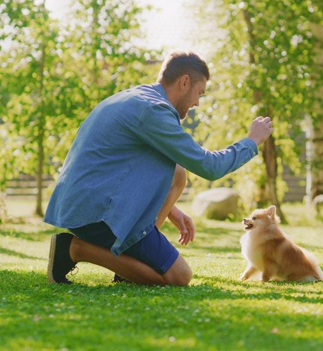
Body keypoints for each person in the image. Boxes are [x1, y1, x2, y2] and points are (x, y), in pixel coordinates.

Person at [44, 50, 273, 286]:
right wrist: (251, 142)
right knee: (178, 277)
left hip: (79, 204)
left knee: (177, 172)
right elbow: (209, 166)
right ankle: (74, 249)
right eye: (199, 93)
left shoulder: (136, 98)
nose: (197, 103)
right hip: (97, 213)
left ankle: (130, 259)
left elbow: (126, 165)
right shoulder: (154, 111)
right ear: (184, 82)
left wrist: (171, 210)